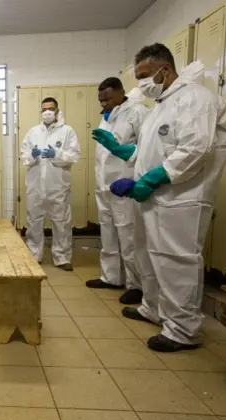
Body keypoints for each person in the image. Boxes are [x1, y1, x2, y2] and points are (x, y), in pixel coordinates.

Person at [93, 43, 226, 352]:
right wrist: (123, 153)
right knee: (147, 253)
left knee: (175, 260)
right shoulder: (162, 106)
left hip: (183, 197)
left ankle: (183, 329)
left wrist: (154, 177)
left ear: (164, 70)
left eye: (143, 76)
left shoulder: (195, 98)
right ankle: (153, 308)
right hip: (155, 197)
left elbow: (196, 148)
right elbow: (148, 150)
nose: (141, 84)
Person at [86, 77, 148, 305]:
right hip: (104, 186)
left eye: (108, 99)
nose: (104, 104)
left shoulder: (138, 112)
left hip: (124, 186)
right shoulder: (108, 118)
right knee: (108, 234)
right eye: (101, 100)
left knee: (128, 235)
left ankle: (136, 285)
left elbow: (148, 149)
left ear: (121, 92)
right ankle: (111, 276)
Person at [20, 97, 80, 271]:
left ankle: (62, 257)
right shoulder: (33, 132)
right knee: (34, 221)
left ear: (57, 110)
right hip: (35, 185)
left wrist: (57, 154)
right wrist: (32, 155)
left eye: (51, 109)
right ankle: (34, 254)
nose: (47, 112)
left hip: (58, 186)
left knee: (61, 222)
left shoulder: (67, 131)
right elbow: (24, 157)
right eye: (44, 109)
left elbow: (74, 156)